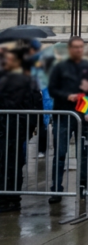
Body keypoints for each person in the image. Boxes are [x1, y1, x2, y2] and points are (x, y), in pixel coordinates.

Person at [47, 35, 88, 203]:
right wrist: (67, 96)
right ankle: (56, 188)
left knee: (83, 154)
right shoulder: (60, 68)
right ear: (69, 49)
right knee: (60, 153)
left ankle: (84, 187)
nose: (78, 49)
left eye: (81, 47)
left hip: (83, 115)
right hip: (63, 115)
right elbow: (52, 89)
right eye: (75, 47)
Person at [0, 47, 43, 213]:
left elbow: (34, 103)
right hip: (6, 127)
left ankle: (12, 198)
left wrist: (31, 125)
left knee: (13, 163)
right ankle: (6, 197)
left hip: (16, 128)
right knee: (6, 163)